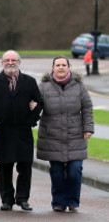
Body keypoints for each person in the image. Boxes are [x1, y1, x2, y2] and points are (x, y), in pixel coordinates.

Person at [0, 50, 43, 212]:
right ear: (2, 63)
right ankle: (7, 200)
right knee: (5, 167)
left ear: (19, 62)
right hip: (3, 131)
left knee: (25, 167)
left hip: (23, 131)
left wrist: (31, 120)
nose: (10, 62)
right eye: (7, 60)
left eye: (14, 60)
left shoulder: (29, 82)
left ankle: (23, 199)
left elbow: (40, 103)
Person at [37, 56, 94, 212]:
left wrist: (88, 128)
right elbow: (36, 106)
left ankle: (73, 201)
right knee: (56, 172)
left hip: (75, 135)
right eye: (58, 65)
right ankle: (59, 202)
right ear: (53, 67)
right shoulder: (43, 86)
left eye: (64, 65)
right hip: (52, 135)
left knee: (75, 170)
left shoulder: (79, 86)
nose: (61, 67)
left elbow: (87, 107)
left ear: (69, 67)